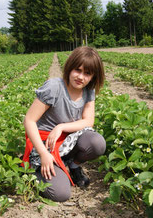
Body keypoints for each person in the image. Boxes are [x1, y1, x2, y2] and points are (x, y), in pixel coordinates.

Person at [22, 46, 106, 202]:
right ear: (69, 67)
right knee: (61, 194)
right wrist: (43, 153)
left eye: (87, 73)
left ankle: (73, 166)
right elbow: (29, 120)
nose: (81, 77)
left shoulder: (89, 90)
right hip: (45, 144)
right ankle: (34, 171)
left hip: (66, 140)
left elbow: (88, 121)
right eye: (77, 70)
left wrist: (61, 127)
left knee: (97, 143)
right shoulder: (54, 87)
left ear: (94, 76)